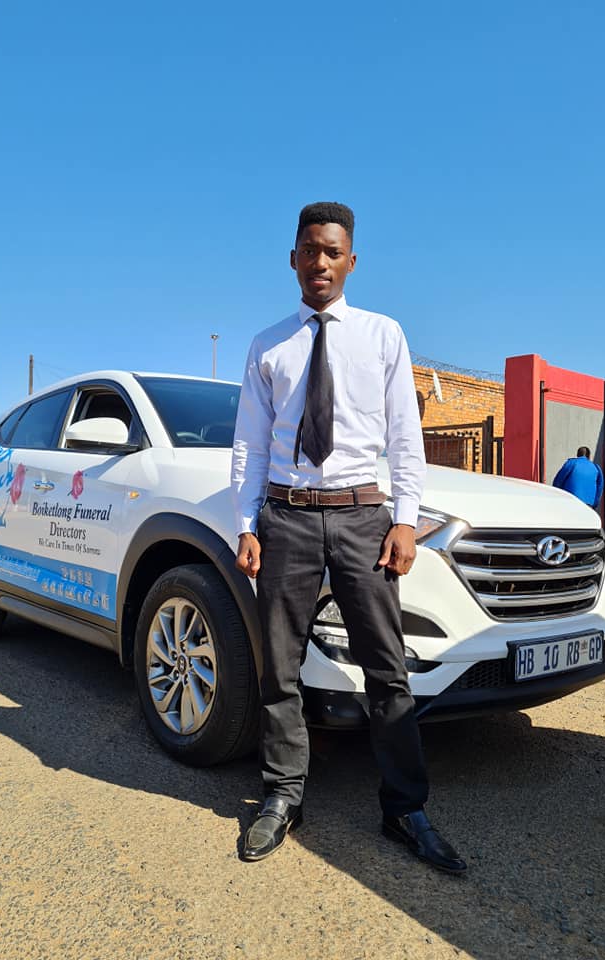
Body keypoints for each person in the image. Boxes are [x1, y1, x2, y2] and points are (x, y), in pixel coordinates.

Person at [230, 201, 465, 874]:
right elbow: (250, 445)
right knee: (279, 669)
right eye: (310, 250)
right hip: (286, 518)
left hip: (364, 517)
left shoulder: (383, 335)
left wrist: (404, 519)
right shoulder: (268, 346)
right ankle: (282, 795)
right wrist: (246, 524)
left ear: (351, 261)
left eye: (332, 252)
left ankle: (405, 808)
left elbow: (405, 436)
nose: (320, 262)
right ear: (293, 259)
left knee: (387, 669)